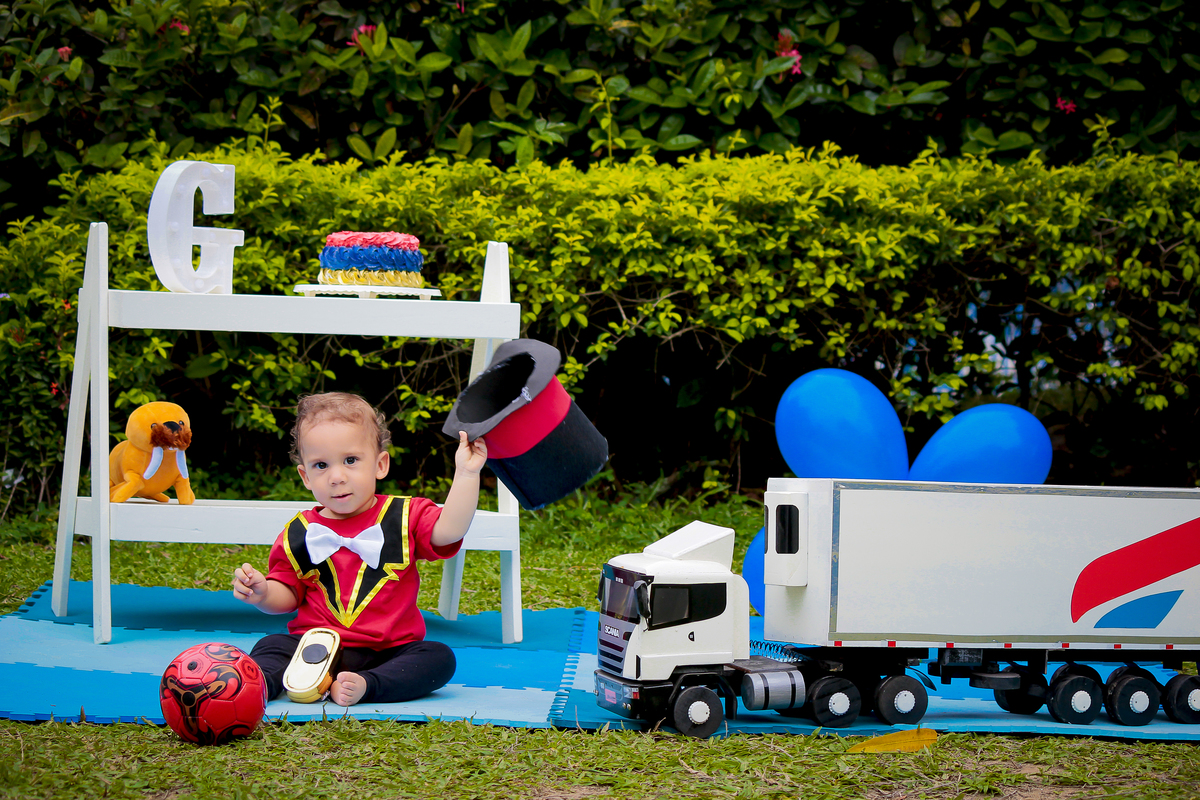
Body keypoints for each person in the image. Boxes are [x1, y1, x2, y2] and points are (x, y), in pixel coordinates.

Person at [232, 392, 487, 706]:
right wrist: (262, 594)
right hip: (314, 649)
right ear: (305, 477)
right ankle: (255, 687)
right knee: (272, 645)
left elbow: (451, 529)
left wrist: (467, 473)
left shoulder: (405, 516)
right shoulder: (299, 532)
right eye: (321, 465)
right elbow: (288, 595)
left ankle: (367, 685)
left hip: (389, 652)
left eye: (350, 460)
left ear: (380, 465)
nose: (337, 477)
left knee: (438, 657)